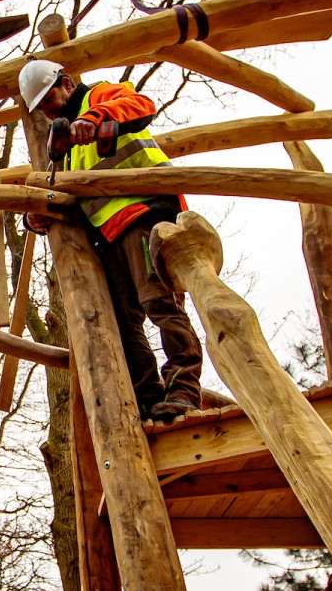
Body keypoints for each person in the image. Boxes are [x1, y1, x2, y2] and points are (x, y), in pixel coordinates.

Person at [18, 59, 204, 423]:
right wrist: (35, 218)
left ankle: (183, 389)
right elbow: (68, 199)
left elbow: (140, 105)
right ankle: (147, 400)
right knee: (121, 323)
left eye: (48, 99)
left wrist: (95, 119)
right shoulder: (68, 146)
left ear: (66, 83)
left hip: (145, 213)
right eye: (39, 107)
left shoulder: (99, 96)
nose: (47, 110)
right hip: (108, 236)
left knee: (159, 301)